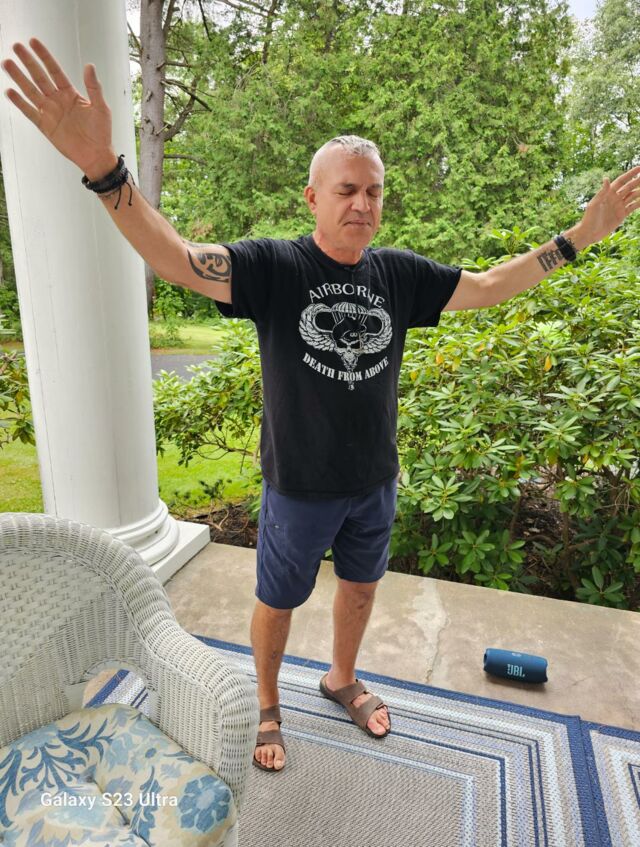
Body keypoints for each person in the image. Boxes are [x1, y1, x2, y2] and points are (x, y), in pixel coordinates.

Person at [3, 38, 639, 775]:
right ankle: (267, 700)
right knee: (278, 599)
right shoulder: (276, 266)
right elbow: (176, 258)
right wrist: (104, 170)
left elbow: (492, 284)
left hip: (374, 480)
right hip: (298, 486)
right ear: (313, 197)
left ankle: (340, 677)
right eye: (346, 191)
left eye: (373, 191)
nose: (362, 204)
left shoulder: (400, 275)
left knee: (362, 590)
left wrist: (581, 236)